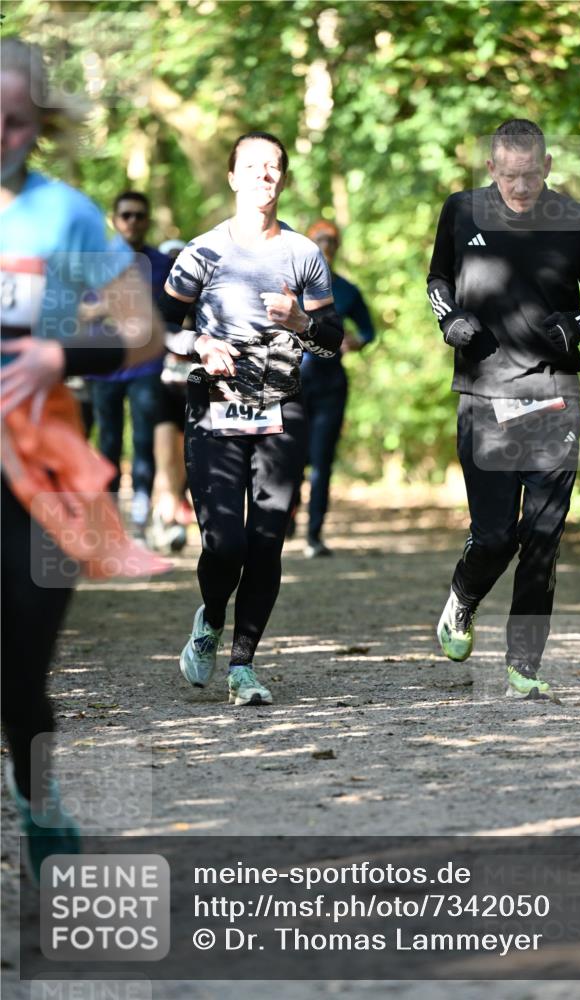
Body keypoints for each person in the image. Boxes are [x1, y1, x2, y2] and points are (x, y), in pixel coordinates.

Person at [0, 37, 165, 880]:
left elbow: (142, 329)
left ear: (40, 126)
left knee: (19, 671)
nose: (0, 135)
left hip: (42, 472)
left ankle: (37, 798)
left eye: (16, 121)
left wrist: (58, 356)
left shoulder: (64, 214)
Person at [427, 118, 580, 702]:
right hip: (485, 395)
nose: (520, 187)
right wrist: (450, 319)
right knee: (494, 536)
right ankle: (462, 600)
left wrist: (575, 326)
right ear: (491, 170)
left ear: (548, 167)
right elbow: (438, 278)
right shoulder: (461, 212)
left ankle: (524, 667)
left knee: (543, 535)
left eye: (531, 175)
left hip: (554, 393)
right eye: (509, 176)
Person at [161, 130, 343, 706]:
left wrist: (301, 324)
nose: (265, 175)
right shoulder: (202, 253)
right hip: (214, 407)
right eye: (253, 166)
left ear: (283, 179)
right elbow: (156, 329)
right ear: (233, 177)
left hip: (281, 407)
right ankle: (211, 617)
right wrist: (198, 346)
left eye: (275, 167)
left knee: (267, 542)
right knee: (225, 542)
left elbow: (333, 343)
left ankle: (243, 666)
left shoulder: (303, 255)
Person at [88, 191, 172, 538]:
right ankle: (108, 521)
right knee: (107, 443)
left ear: (148, 219)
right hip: (103, 366)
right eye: (126, 215)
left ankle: (139, 518)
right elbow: (79, 311)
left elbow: (173, 313)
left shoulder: (162, 264)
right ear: (114, 219)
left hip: (146, 367)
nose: (132, 221)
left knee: (142, 442)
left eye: (139, 215)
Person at [291, 220, 375, 558]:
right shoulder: (292, 286)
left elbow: (368, 331)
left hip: (330, 385)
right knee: (291, 457)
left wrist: (356, 342)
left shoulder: (347, 291)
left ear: (337, 246)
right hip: (292, 382)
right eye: (318, 239)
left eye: (331, 240)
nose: (325, 245)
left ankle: (314, 535)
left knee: (322, 461)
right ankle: (287, 514)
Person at [150, 238, 193, 553]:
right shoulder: (154, 301)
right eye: (170, 259)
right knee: (166, 458)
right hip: (162, 386)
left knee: (188, 461)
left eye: (181, 259)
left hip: (196, 387)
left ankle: (173, 516)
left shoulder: (203, 298)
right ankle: (166, 521)